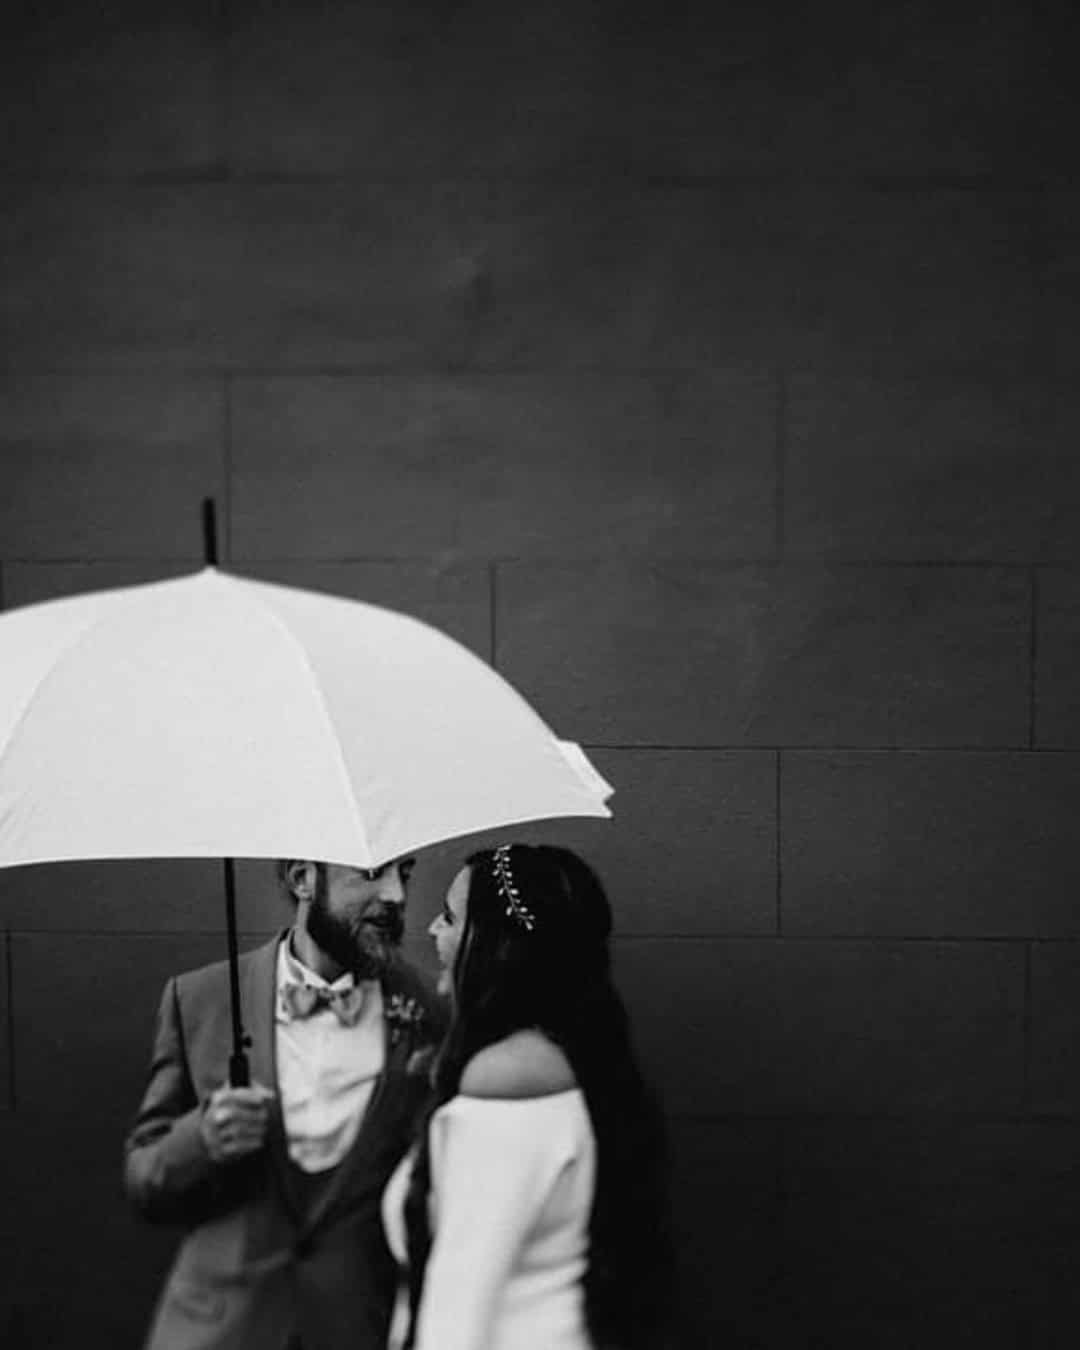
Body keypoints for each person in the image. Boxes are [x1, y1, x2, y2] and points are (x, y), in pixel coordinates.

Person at [124, 856, 446, 1350]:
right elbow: (144, 1181)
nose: (396, 897)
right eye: (371, 874)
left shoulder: (427, 1007)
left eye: (403, 875)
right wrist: (201, 1139)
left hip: (356, 1325)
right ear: (302, 880)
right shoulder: (200, 999)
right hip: (219, 1329)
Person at [381, 843, 672, 1350]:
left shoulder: (507, 1080)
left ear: (496, 947)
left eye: (450, 917)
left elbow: (458, 1306)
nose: (432, 930)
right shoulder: (575, 1054)